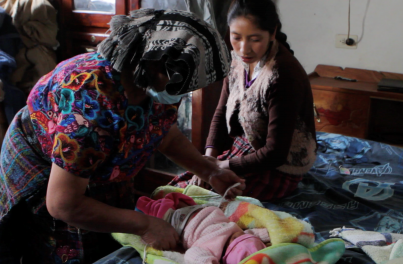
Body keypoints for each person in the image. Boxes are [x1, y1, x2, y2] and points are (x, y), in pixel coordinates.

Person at [0, 9, 246, 264]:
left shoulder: (152, 83)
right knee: (64, 246)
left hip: (86, 159)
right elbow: (63, 204)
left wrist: (209, 170)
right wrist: (145, 225)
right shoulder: (89, 103)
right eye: (183, 85)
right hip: (47, 170)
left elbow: (164, 135)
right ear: (153, 64)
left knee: (110, 234)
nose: (184, 93)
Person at [170, 0, 317, 201]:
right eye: (236, 37)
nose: (244, 49)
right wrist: (209, 162)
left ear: (272, 33)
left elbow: (275, 154)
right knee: (180, 189)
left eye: (255, 39)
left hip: (278, 166)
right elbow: (221, 114)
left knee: (206, 200)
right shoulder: (237, 60)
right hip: (244, 150)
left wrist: (220, 168)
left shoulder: (283, 75)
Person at [136, 193, 268, 264]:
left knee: (159, 213)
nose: (237, 236)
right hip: (204, 211)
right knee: (174, 203)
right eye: (239, 237)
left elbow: (192, 254)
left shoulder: (211, 250)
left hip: (180, 223)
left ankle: (146, 205)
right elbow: (251, 233)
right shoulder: (239, 234)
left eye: (234, 239)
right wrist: (269, 234)